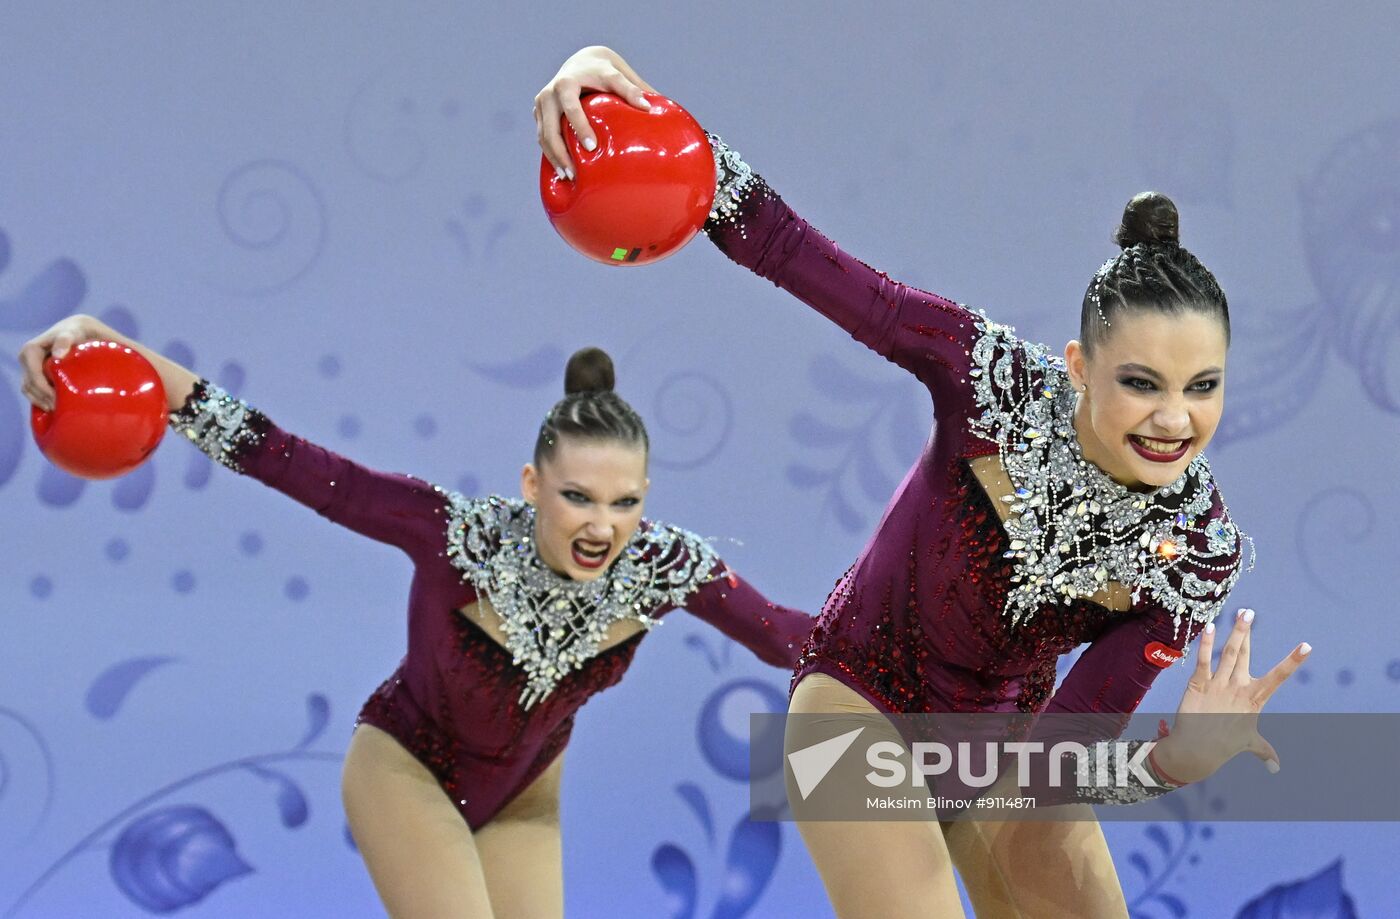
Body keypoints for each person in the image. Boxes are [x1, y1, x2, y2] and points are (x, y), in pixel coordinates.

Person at [535, 46, 1312, 918]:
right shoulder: (988, 380)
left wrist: (1179, 759)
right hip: (858, 703)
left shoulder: (1194, 549)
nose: (1174, 419)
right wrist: (657, 129)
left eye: (1201, 386)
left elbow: (1059, 759)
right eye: (1141, 382)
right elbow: (796, 254)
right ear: (1079, 368)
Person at [18, 316, 814, 918]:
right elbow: (288, 460)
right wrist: (142, 367)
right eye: (578, 496)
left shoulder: (662, 569)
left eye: (626, 501)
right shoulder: (452, 534)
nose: (602, 524)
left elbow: (793, 637)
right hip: (406, 767)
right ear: (533, 485)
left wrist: (930, 658)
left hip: (526, 799)